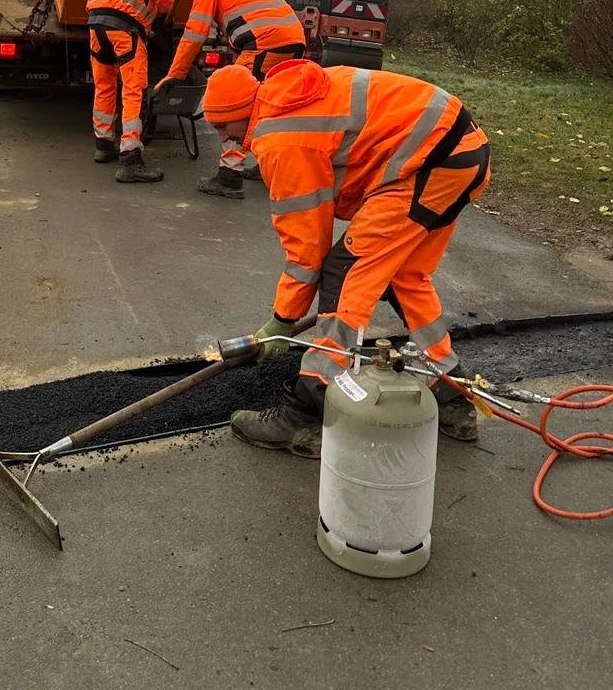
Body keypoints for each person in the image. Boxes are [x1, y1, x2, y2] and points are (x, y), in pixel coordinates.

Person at [200, 58, 488, 451]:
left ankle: (305, 412)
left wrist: (282, 321)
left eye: (222, 126)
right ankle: (452, 394)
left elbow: (307, 250)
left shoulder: (281, 138)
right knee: (403, 275)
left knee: (344, 269)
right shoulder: (288, 99)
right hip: (461, 153)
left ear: (241, 112)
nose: (223, 139)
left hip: (428, 162)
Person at [153, 0, 305, 200]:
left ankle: (230, 176)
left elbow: (194, 34)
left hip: (263, 46)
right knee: (272, 106)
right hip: (295, 42)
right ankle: (271, 163)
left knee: (236, 106)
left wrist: (176, 73)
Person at [86, 0, 177, 183]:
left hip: (96, 23)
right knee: (134, 88)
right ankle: (131, 158)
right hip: (125, 26)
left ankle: (103, 145)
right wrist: (164, 11)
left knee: (104, 84)